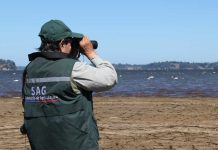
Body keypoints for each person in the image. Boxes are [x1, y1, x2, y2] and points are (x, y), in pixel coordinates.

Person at [21, 19, 118, 150]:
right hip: (76, 143)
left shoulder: (30, 69)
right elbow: (109, 79)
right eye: (70, 42)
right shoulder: (73, 68)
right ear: (62, 43)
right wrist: (90, 53)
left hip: (41, 142)